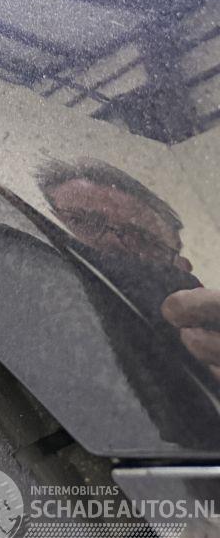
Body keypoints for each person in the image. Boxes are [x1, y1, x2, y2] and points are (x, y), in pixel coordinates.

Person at [37, 159, 220, 383]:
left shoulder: (194, 339)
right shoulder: (22, 300)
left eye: (143, 240)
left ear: (180, 267)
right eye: (80, 221)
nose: (113, 242)